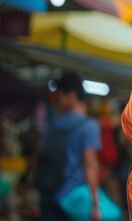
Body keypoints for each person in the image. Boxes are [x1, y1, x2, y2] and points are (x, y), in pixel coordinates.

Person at [35, 71, 101, 221]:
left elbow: (39, 153)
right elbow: (90, 165)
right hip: (72, 199)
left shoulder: (54, 122)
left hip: (48, 192)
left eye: (60, 95)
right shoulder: (89, 126)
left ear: (71, 95)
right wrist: (95, 203)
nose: (58, 99)